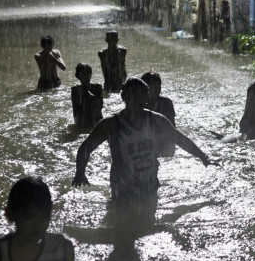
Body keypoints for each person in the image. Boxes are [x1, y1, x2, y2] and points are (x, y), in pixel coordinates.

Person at [72, 78, 213, 202]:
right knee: (122, 219)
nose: (138, 100)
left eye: (142, 96)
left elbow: (180, 139)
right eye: (135, 95)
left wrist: (203, 156)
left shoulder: (156, 120)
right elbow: (86, 147)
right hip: (123, 188)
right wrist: (80, 173)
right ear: (124, 97)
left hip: (150, 185)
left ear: (146, 98)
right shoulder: (111, 124)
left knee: (149, 217)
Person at [71, 63, 103, 129]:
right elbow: (76, 110)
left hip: (96, 120)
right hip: (82, 121)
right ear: (78, 76)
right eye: (83, 74)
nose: (86, 76)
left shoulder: (97, 87)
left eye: (88, 73)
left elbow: (100, 106)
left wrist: (90, 96)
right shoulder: (75, 90)